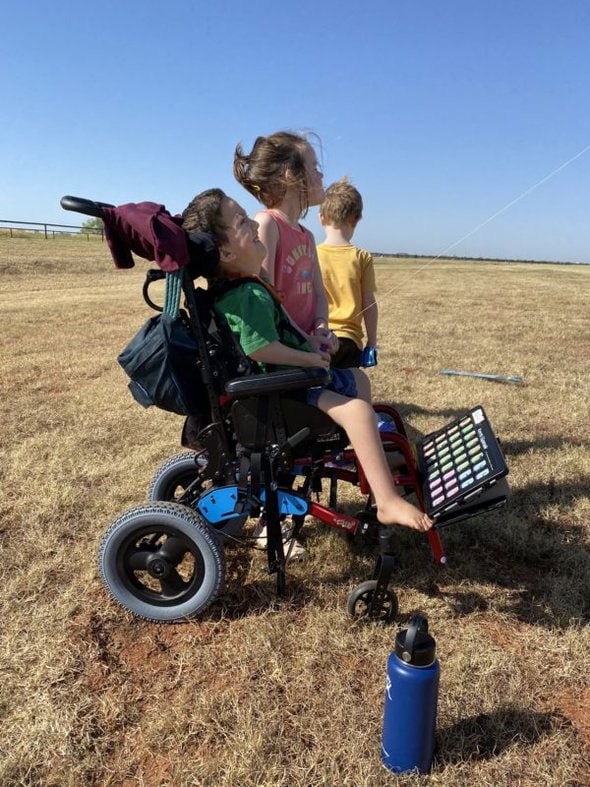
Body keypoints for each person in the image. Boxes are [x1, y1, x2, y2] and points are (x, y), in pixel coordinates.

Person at [181, 188, 434, 535]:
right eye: (242, 221)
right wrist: (308, 358)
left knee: (357, 381)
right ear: (224, 251)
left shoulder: (245, 287)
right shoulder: (248, 293)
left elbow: (273, 337)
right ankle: (387, 499)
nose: (254, 226)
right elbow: (260, 348)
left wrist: (310, 342)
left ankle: (372, 458)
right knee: (359, 412)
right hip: (284, 394)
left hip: (286, 384)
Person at [233, 130, 338, 355]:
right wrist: (304, 339)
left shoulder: (307, 235)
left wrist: (321, 329)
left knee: (360, 381)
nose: (321, 176)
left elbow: (319, 293)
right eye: (315, 168)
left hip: (308, 346)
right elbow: (267, 298)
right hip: (286, 352)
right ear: (290, 176)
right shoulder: (268, 223)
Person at [317, 177, 378, 370]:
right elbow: (369, 303)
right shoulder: (362, 257)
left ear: (321, 218)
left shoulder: (310, 254)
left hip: (319, 338)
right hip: (351, 341)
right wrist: (372, 342)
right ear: (357, 219)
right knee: (350, 390)